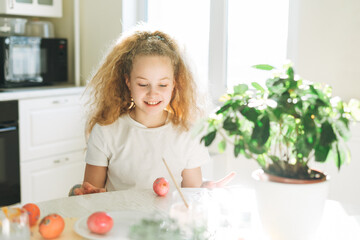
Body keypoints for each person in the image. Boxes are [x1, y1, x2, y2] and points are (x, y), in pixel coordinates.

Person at [73, 26, 235, 196]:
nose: (153, 93)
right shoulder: (106, 131)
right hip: (121, 219)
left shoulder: (187, 133)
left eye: (162, 85)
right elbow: (91, 195)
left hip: (168, 221)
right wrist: (88, 194)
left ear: (174, 83)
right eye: (143, 84)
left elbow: (191, 194)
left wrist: (205, 190)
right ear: (128, 82)